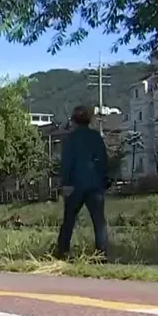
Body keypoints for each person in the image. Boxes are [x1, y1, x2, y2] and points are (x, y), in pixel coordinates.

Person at [53, 105, 110, 260]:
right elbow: (103, 160)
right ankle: (101, 253)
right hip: (95, 185)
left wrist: (65, 183)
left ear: (74, 121)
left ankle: (63, 252)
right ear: (89, 120)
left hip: (74, 186)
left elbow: (66, 163)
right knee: (99, 221)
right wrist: (105, 179)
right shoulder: (96, 137)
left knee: (69, 221)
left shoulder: (70, 139)